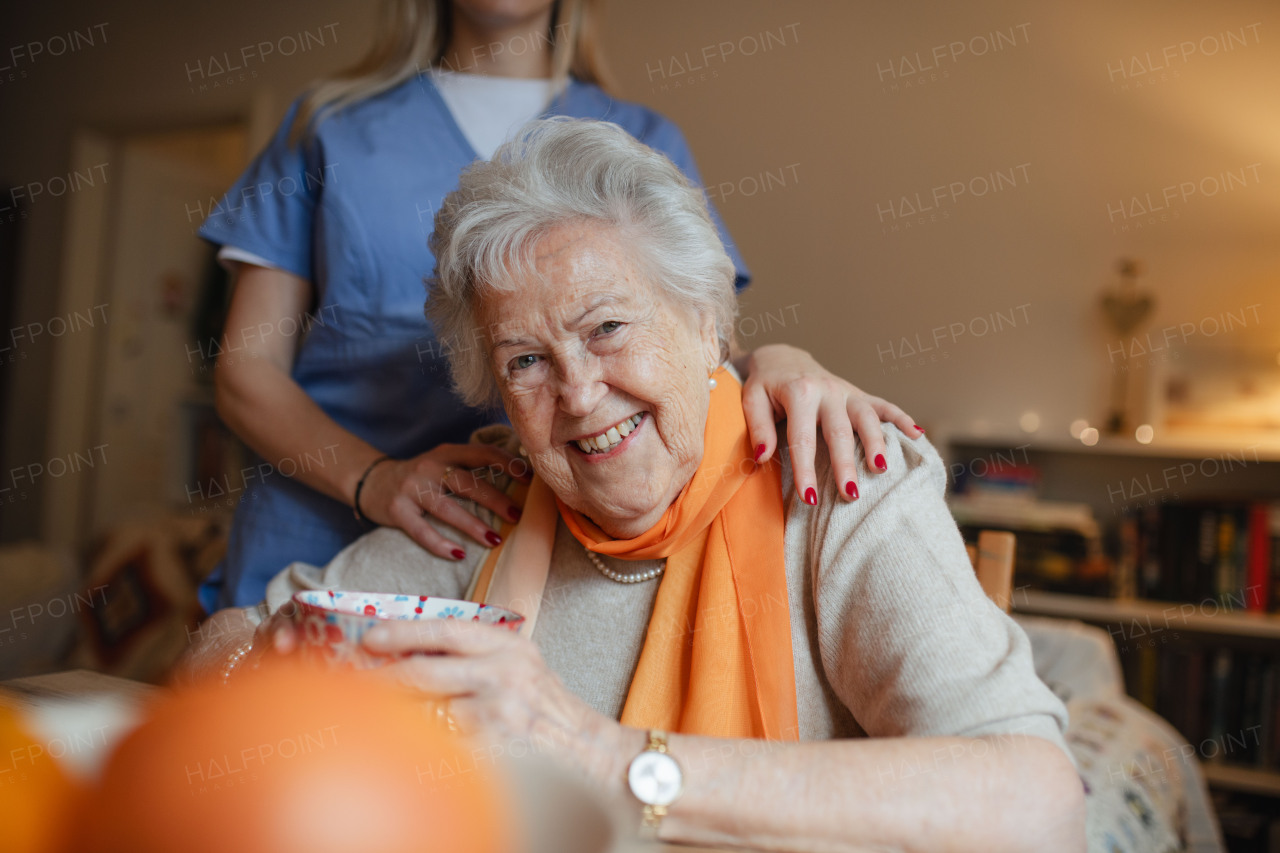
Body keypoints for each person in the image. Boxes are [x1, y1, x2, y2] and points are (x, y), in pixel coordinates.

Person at [183, 119, 1084, 851]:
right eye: (526, 360)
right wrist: (254, 661)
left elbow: (1038, 804)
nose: (577, 395)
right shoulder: (491, 502)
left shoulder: (837, 473)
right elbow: (227, 653)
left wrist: (605, 757)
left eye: (609, 327)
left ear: (708, 324)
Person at [197, 0, 922, 613]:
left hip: (529, 553)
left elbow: (693, 343)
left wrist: (785, 360)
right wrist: (374, 480)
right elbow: (244, 370)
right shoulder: (327, 128)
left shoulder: (642, 137)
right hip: (322, 527)